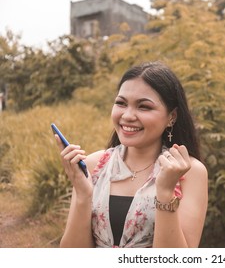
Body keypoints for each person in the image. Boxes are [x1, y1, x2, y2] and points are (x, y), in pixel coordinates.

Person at [55, 61, 208, 248]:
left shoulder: (188, 173)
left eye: (143, 107)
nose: (127, 115)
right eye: (121, 103)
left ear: (172, 117)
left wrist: (166, 193)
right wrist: (83, 194)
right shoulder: (93, 165)